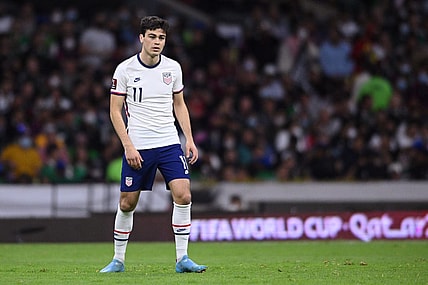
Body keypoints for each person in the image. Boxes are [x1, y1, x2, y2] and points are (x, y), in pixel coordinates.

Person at [100, 16, 207, 274]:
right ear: (141, 38)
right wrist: (127, 145)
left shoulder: (173, 68)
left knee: (184, 195)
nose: (157, 42)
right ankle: (118, 260)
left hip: (169, 142)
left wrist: (189, 139)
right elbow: (115, 112)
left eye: (161, 37)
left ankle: (182, 258)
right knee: (127, 203)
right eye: (152, 36)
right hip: (138, 145)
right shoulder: (125, 70)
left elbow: (179, 104)